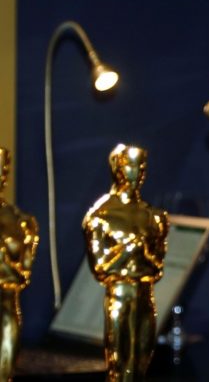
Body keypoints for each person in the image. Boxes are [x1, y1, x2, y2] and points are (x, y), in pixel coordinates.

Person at [83, 144, 169, 381]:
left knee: (141, 362)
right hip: (120, 295)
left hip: (145, 295)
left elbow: (158, 267)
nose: (138, 171)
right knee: (120, 366)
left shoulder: (154, 217)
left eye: (142, 166)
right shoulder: (102, 216)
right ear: (117, 168)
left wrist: (143, 254)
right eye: (131, 165)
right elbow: (100, 268)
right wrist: (129, 250)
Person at [0, 147, 38, 381]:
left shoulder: (21, 221)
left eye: (2, 168)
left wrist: (7, 266)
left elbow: (24, 271)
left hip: (8, 305)